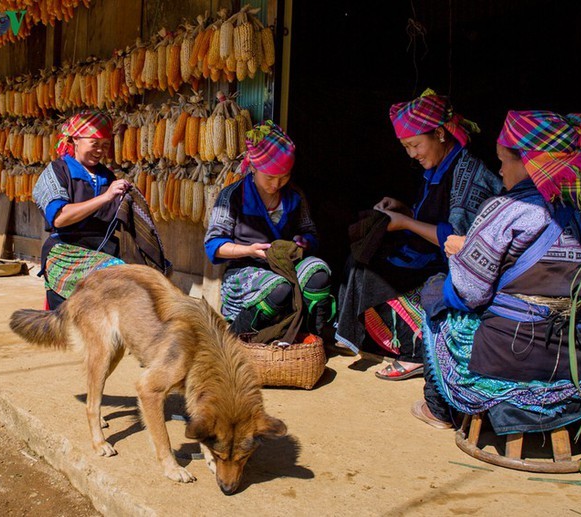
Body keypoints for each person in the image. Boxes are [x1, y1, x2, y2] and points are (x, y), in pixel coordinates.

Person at [411, 110, 581, 431]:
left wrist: (461, 254)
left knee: (436, 290)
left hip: (509, 356)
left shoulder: (507, 210)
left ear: (529, 163)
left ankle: (439, 408)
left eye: (505, 160)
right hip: (574, 359)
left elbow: (469, 293)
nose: (500, 169)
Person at [334, 88, 503, 379]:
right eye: (406, 148)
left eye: (415, 145)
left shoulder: (467, 171)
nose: (412, 154)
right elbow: (431, 216)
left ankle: (418, 351)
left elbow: (456, 238)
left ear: (439, 133)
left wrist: (405, 223)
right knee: (358, 260)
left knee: (368, 275)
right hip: (429, 255)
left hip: (456, 268)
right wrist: (403, 209)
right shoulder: (438, 167)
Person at [204, 120, 333, 336]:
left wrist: (304, 241)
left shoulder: (294, 196)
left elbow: (311, 234)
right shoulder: (233, 196)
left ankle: (310, 338)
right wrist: (249, 250)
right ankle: (235, 339)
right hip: (243, 273)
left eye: (284, 177)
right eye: (270, 177)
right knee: (279, 288)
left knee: (318, 273)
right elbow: (214, 246)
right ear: (253, 167)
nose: (276, 184)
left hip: (286, 266)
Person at [33, 110, 132, 310]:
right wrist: (105, 197)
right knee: (113, 273)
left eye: (105, 146)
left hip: (103, 251)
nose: (99, 151)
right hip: (65, 252)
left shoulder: (108, 177)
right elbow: (60, 218)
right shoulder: (56, 172)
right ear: (75, 140)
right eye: (94, 144)